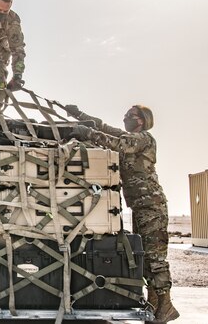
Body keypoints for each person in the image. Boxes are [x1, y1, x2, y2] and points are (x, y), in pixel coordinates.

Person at [66, 104, 179, 323]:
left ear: (142, 120)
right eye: (126, 115)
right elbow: (105, 128)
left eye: (131, 116)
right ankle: (155, 303)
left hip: (152, 206)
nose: (125, 118)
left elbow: (116, 143)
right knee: (145, 255)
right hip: (140, 207)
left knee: (156, 258)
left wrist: (86, 132)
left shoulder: (143, 139)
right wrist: (80, 115)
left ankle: (166, 305)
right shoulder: (131, 136)